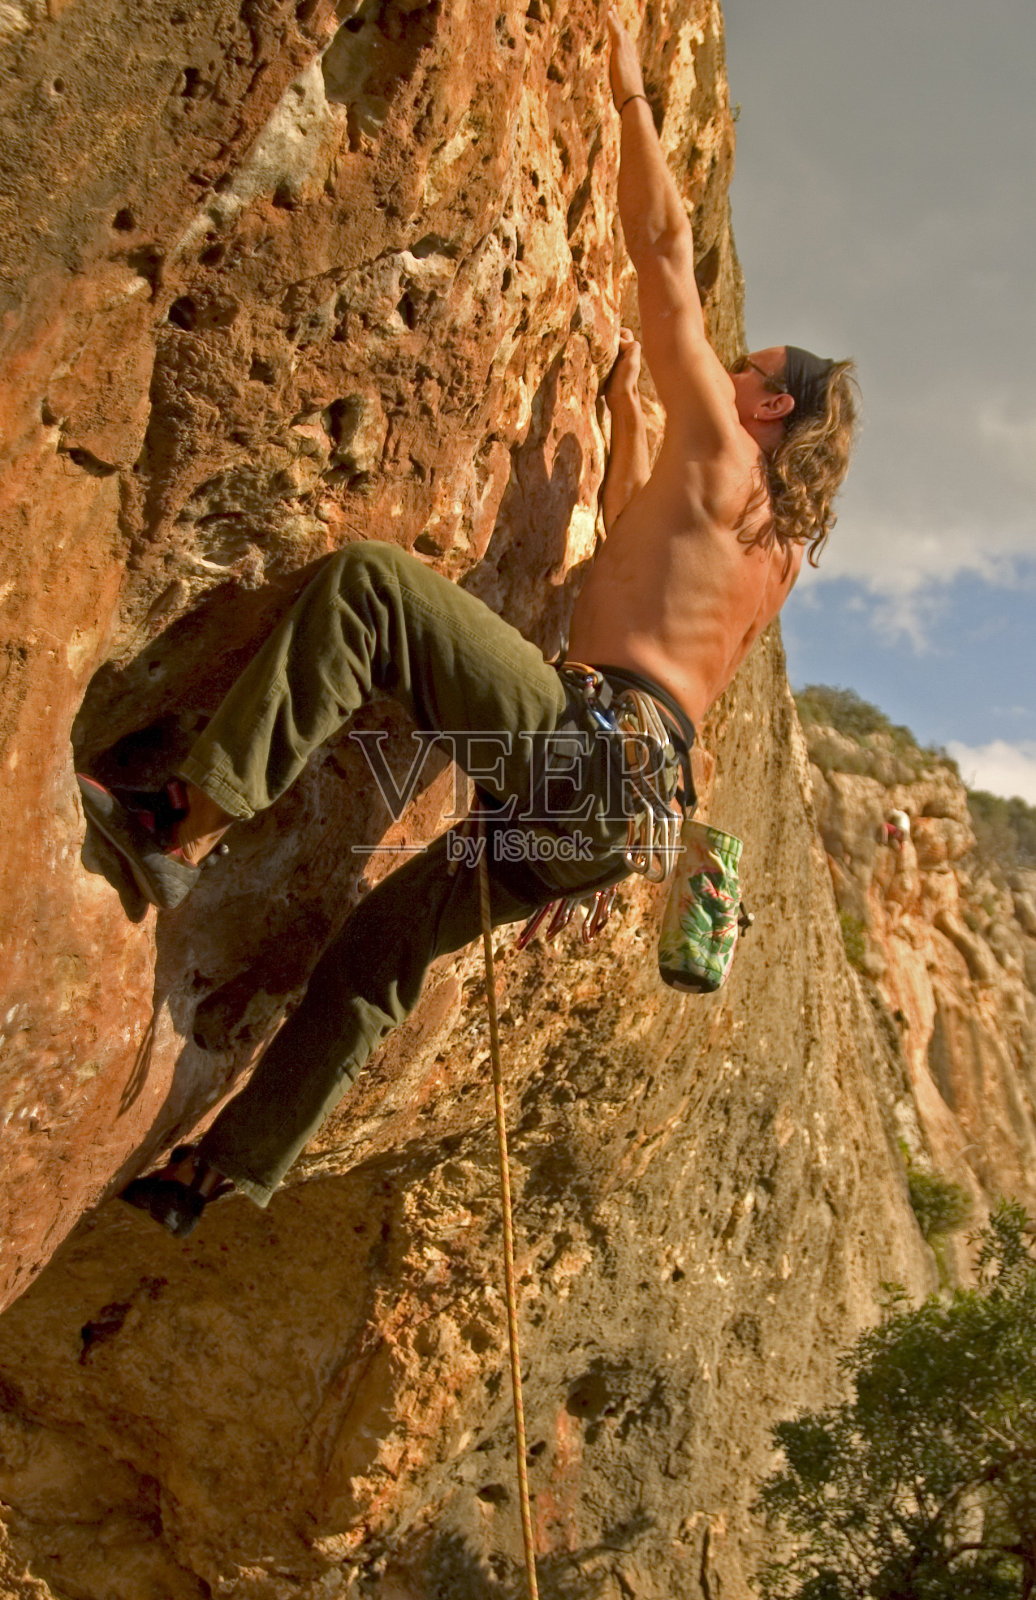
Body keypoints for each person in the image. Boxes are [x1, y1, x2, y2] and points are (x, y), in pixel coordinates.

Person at [79, 11, 858, 1236]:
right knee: (383, 948)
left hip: (580, 748)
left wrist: (629, 92)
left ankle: (184, 815)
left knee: (375, 589)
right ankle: (215, 1173)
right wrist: (613, 405)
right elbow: (651, 569)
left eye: (739, 362)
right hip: (622, 812)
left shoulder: (721, 438)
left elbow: (659, 249)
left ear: (763, 400)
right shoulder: (771, 559)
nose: (717, 365)